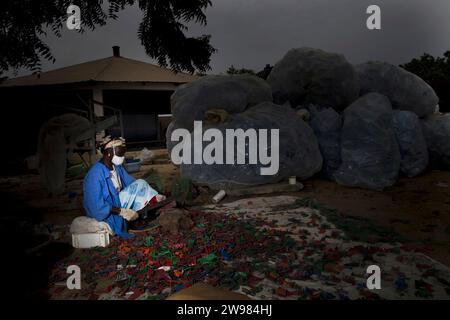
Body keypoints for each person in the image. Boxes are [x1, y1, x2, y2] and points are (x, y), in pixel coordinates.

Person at [83, 136, 163, 238]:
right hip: (106, 211)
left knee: (141, 183)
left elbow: (132, 183)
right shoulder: (94, 175)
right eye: (120, 153)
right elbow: (96, 207)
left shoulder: (116, 167)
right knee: (139, 186)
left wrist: (151, 193)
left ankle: (147, 208)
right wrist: (122, 212)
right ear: (109, 153)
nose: (123, 157)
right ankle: (124, 221)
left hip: (118, 201)